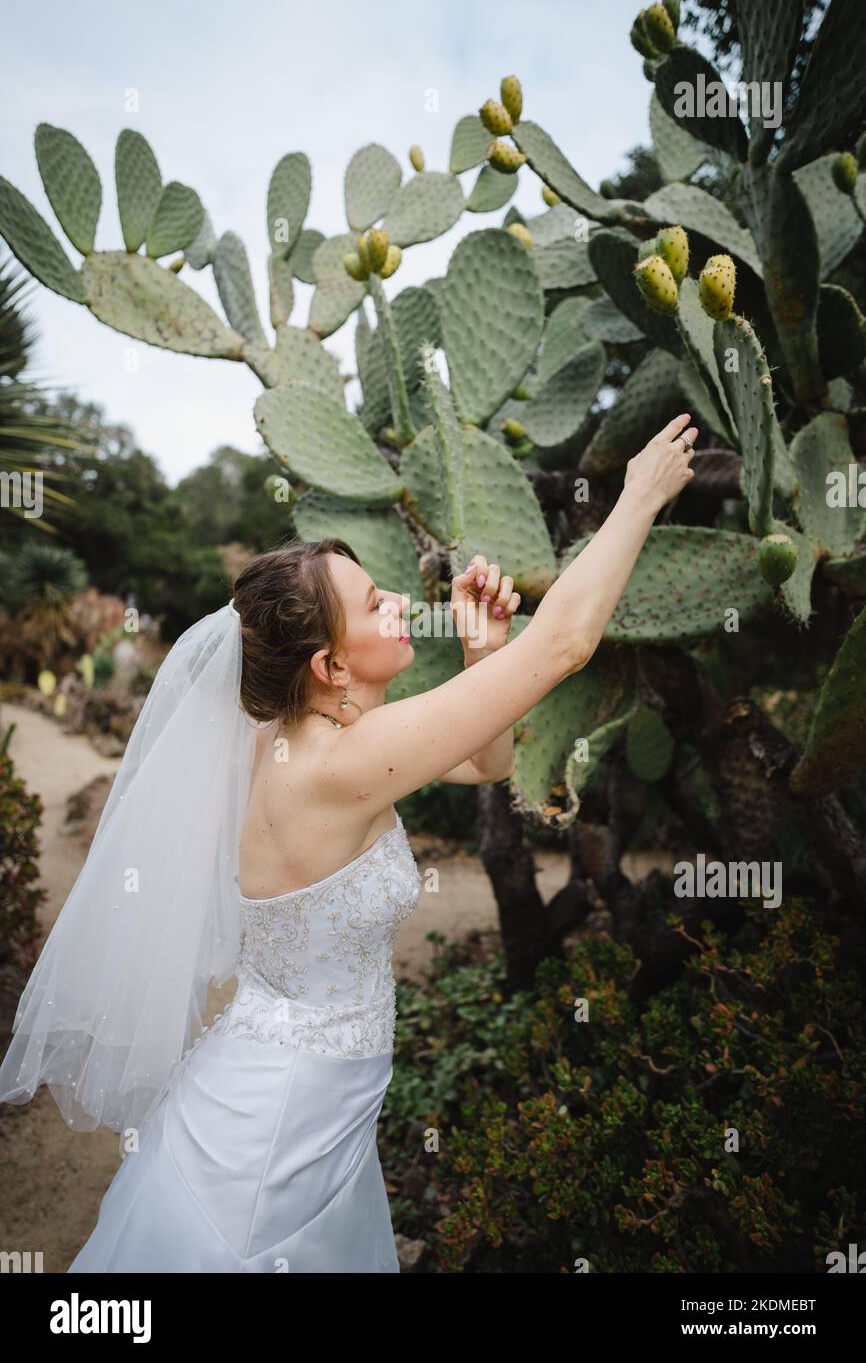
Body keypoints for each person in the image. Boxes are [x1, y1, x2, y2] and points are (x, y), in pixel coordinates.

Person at [0, 414, 698, 1272]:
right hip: (277, 1132)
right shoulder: (342, 764)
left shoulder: (301, 743)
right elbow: (568, 643)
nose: (402, 600)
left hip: (308, 1114)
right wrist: (636, 500)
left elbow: (486, 762)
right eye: (376, 603)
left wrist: (483, 652)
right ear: (331, 667)